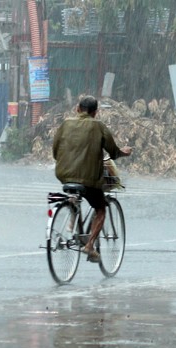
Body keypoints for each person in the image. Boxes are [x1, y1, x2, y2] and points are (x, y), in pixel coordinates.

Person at [52, 95, 132, 263]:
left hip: (64, 175)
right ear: (96, 112)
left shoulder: (66, 124)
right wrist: (124, 152)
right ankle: (89, 246)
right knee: (101, 209)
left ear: (77, 108)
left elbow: (55, 151)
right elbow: (113, 152)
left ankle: (72, 215)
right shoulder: (98, 126)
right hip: (88, 179)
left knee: (76, 193)